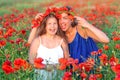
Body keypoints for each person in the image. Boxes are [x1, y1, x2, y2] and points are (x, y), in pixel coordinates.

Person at [28, 6, 109, 63]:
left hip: (91, 68)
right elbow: (31, 43)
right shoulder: (59, 34)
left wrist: (88, 25)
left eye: (65, 18)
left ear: (71, 20)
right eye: (59, 19)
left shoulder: (81, 29)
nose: (61, 22)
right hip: (73, 72)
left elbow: (106, 40)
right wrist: (36, 24)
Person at [29, 11, 69, 80]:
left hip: (58, 76)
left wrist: (58, 66)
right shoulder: (37, 41)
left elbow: (67, 60)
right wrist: (46, 67)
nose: (52, 26)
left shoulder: (62, 41)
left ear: (58, 25)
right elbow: (31, 61)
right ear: (45, 26)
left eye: (55, 23)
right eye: (49, 24)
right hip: (41, 76)